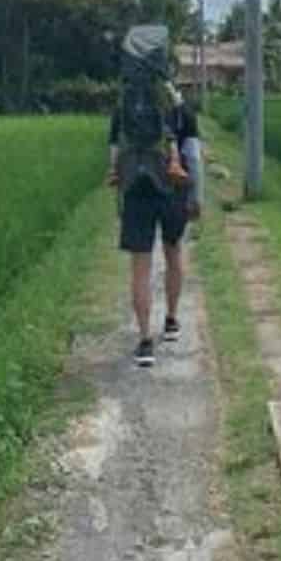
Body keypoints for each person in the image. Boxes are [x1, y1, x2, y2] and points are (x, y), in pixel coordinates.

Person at [107, 84, 201, 368]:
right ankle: (171, 320)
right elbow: (193, 157)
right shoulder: (181, 110)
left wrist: (119, 192)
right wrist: (196, 196)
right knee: (173, 253)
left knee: (140, 267)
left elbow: (114, 154)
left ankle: (145, 340)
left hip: (136, 191)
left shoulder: (124, 108)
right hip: (173, 188)